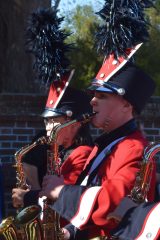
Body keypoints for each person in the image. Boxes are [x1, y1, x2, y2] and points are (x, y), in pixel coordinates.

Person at [39, 1, 157, 239]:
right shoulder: (104, 145)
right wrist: (69, 231)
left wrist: (61, 191)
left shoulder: (133, 148)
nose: (92, 101)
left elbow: (114, 205)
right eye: (94, 95)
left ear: (127, 104)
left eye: (102, 96)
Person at [12, 85, 93, 209]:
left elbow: (63, 196)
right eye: (47, 121)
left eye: (53, 121)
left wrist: (28, 198)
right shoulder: (55, 146)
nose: (47, 127)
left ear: (75, 124)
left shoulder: (83, 153)